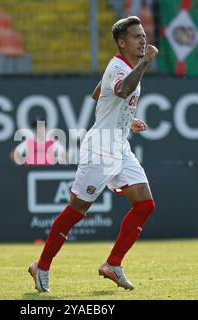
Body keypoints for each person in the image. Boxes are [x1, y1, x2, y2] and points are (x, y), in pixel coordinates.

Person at [28, 16, 159, 292]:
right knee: (77, 210)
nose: (143, 40)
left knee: (145, 204)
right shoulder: (122, 66)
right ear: (122, 43)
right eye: (136, 36)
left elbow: (98, 93)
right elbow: (122, 89)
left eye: (144, 35)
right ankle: (41, 266)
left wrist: (126, 117)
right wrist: (145, 62)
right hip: (100, 148)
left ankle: (113, 264)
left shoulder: (124, 67)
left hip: (119, 145)